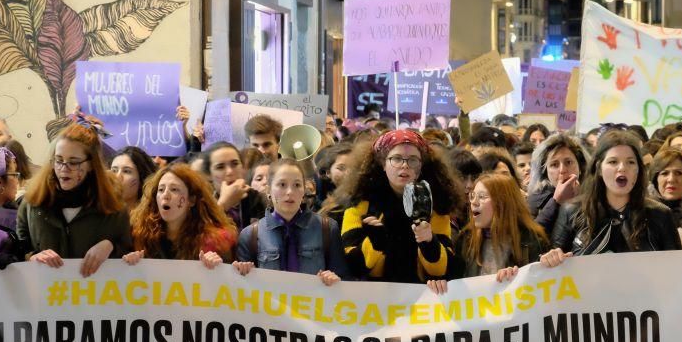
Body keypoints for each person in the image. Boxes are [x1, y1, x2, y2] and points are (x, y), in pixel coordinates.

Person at [338, 130, 463, 283]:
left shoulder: (436, 205)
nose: (405, 165)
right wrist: (374, 243)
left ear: (421, 167)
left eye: (413, 160)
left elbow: (442, 270)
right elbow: (352, 266)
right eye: (396, 159)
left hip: (419, 295)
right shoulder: (360, 204)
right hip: (374, 297)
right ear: (383, 163)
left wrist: (429, 242)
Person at [544, 130, 682, 258]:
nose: (622, 168)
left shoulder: (660, 215)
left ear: (638, 170)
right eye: (613, 162)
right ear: (599, 168)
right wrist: (552, 258)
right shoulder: (572, 211)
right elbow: (552, 265)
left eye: (630, 162)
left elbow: (676, 269)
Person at [17, 121, 132, 277]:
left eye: (73, 162)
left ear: (91, 165)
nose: (64, 168)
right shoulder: (33, 201)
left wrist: (111, 246)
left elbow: (127, 250)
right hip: (45, 294)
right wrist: (31, 257)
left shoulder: (113, 206)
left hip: (92, 295)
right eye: (58, 160)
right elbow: (20, 245)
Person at [234, 159, 347, 284]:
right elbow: (242, 288)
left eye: (297, 185)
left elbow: (343, 278)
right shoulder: (250, 234)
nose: (290, 192)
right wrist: (243, 272)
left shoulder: (327, 228)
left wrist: (333, 279)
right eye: (282, 185)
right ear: (268, 190)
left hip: (312, 301)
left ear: (304, 190)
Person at [436, 174, 547, 289]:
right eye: (472, 196)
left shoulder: (531, 239)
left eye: (482, 196)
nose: (473, 202)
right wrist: (440, 283)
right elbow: (455, 284)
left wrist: (516, 277)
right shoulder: (465, 239)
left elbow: (541, 285)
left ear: (503, 202)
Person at [122, 164, 237, 270]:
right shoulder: (139, 235)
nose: (165, 195)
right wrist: (131, 261)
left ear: (191, 200)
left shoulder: (217, 241)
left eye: (174, 189)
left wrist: (217, 266)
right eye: (161, 190)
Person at [527, 133, 587, 237]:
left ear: (580, 167)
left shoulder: (594, 193)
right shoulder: (535, 200)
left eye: (568, 162)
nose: (562, 170)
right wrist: (556, 201)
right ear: (546, 172)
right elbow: (531, 238)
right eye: (554, 165)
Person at [203, 142, 268, 230]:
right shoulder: (202, 204)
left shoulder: (256, 198)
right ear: (209, 174)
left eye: (235, 164)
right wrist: (223, 205)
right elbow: (200, 237)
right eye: (220, 167)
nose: (230, 171)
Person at [648, 148, 682, 227]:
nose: (671, 179)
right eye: (665, 173)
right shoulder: (643, 212)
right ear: (656, 179)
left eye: (678, 173)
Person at [110, 146, 157, 211]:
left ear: (142, 179)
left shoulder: (154, 218)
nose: (117, 177)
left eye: (126, 171)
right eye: (114, 171)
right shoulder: (101, 215)